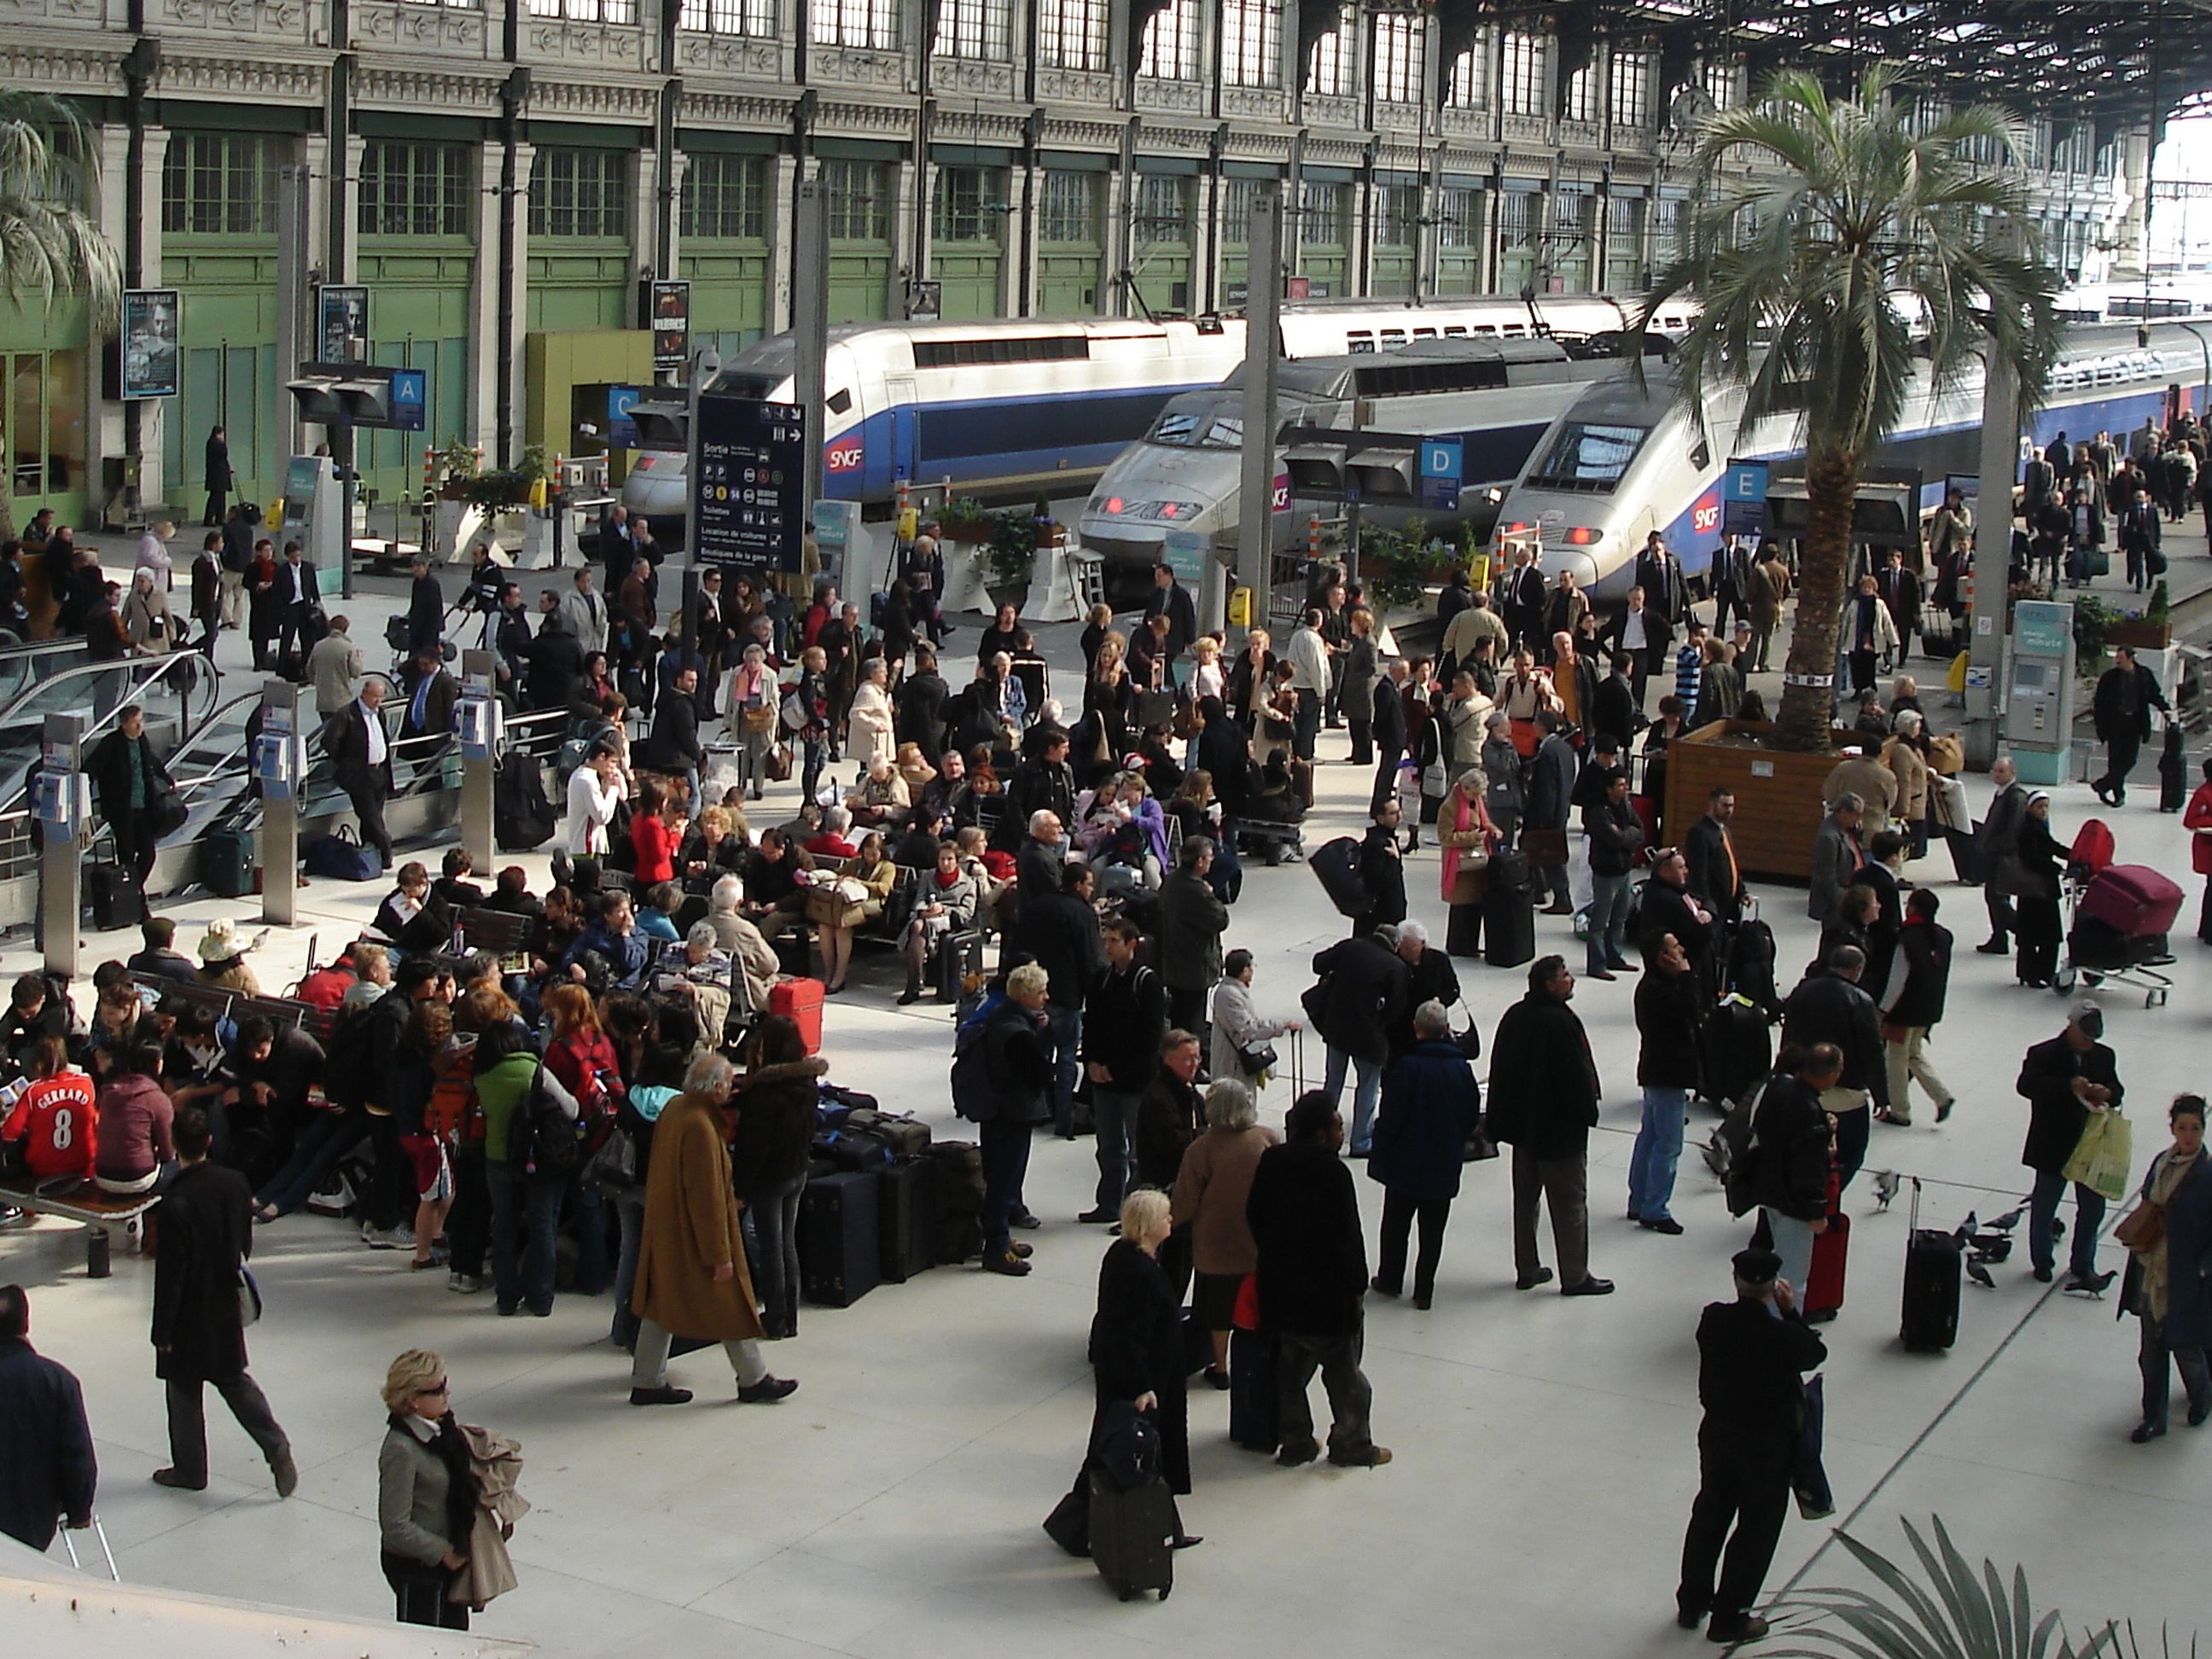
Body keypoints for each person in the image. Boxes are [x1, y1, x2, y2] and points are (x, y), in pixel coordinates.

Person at [1673, 1247, 1829, 1647]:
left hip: (1719, 1433)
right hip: (1766, 1445)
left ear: (1736, 1281)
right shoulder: (1781, 1337)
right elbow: (1814, 1352)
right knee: (1756, 1530)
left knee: (1710, 1512)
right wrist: (1790, 1311)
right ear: (1772, 1289)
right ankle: (1731, 1616)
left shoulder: (1713, 1319)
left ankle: (1692, 1601)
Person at [629, 1052, 798, 1406]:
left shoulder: (676, 1110)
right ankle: (753, 1379)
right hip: (694, 1236)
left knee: (661, 1304)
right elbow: (706, 1197)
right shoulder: (701, 1128)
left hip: (668, 1229)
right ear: (717, 1087)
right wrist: (719, 1254)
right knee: (731, 1306)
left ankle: (647, 1380)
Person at [151, 1109, 297, 1496]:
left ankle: (190, 1468)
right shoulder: (234, 1183)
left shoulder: (175, 1200)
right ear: (209, 1141)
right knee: (234, 1380)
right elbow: (243, 1241)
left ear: (173, 1145)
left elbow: (171, 1275)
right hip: (223, 1299)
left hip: (186, 1311)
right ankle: (275, 1445)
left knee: (183, 1389)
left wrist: (162, 1330)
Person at [1244, 1093, 1391, 1469]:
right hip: (1328, 1299)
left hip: (1281, 1292)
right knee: (1347, 1380)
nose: (1343, 1132)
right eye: (1339, 1126)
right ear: (1323, 1133)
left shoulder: (1272, 1162)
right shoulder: (1333, 1172)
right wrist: (1357, 1287)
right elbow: (1347, 1235)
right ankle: (1351, 1443)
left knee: (1289, 1377)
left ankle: (1296, 1442)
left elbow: (1255, 1215)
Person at [1048, 1190, 1199, 1552]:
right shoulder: (1139, 1273)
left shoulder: (1124, 1257)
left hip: (1138, 1376)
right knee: (1132, 1454)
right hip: (1142, 1381)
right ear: (1149, 1227)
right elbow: (1128, 1335)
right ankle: (1084, 1527)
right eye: (1165, 1216)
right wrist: (1142, 1386)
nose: (1171, 1220)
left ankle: (1162, 1529)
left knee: (1122, 1450)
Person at [1487, 956, 1610, 1296]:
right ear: (1549, 984)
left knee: (1525, 1202)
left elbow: (1500, 1071)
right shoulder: (1562, 1024)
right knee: (1569, 1206)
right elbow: (1577, 1079)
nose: (1571, 980)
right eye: (1565, 976)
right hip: (1559, 1136)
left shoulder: (1515, 1016)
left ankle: (1526, 1267)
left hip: (1523, 1131)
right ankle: (1575, 1276)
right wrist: (1587, 1114)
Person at [1367, 1001, 1481, 1311]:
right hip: (1443, 1160)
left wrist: (1382, 1149)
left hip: (1406, 1160)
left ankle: (1390, 1278)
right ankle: (1424, 1289)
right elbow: (1471, 1116)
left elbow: (1391, 1117)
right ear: (1446, 1030)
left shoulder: (1406, 1068)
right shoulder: (1461, 1069)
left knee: (1396, 1223)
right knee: (1433, 1230)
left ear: (1417, 1029)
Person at [1172, 1080, 1279, 1385]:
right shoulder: (1267, 1139)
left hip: (1215, 1244)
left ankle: (1220, 1367)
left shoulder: (1201, 1149)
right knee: (1258, 1306)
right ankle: (1260, 1361)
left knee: (1218, 1311)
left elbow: (1185, 1202)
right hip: (1258, 1242)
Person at [2117, 1094, 2212, 1443]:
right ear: (2172, 1129)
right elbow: (2148, 1202)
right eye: (2182, 1128)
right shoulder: (2161, 1163)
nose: (2188, 1136)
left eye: (2195, 1129)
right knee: (2151, 1353)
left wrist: (2203, 1269)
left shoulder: (2207, 1175)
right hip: (2151, 1269)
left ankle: (2202, 1396)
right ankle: (2153, 1417)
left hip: (2186, 1277)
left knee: (2187, 1347)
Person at [727, 1016, 824, 1343]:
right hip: (796, 1171)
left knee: (771, 1249)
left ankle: (776, 1318)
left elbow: (753, 1148)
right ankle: (789, 1317)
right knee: (786, 1244)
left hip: (770, 1179)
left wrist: (740, 1188)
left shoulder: (764, 1095)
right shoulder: (807, 1085)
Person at [2017, 999, 2122, 1292]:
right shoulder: (2043, 1054)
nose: (2088, 1044)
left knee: (2092, 1209)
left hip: (2091, 1146)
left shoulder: (2104, 1056)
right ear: (2071, 1027)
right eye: (2084, 1037)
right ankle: (2042, 1261)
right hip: (2053, 1142)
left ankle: (2083, 1263)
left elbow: (2117, 1090)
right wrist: (2067, 1086)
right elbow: (2026, 1086)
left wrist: (2108, 1092)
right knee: (2044, 1205)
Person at [377, 1348, 481, 1630]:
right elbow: (395, 1525)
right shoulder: (401, 1449)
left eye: (444, 1383)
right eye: (437, 1389)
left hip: (447, 1562)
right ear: (413, 1401)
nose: (447, 1392)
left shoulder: (442, 1431)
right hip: (419, 1568)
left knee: (456, 1635)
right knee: (429, 1643)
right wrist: (445, 1552)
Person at [1779, 945, 1886, 1196]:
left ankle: (1807, 1196)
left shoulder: (1803, 992)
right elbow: (1872, 1051)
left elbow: (1789, 1037)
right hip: (1846, 1091)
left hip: (1804, 1083)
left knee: (1803, 1149)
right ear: (1857, 969)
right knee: (1851, 1153)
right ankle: (1825, 1198)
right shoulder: (1860, 1000)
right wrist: (1882, 1095)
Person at [1080, 917, 1167, 1223]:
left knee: (1138, 1150)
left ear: (1132, 943)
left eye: (1114, 941)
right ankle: (1108, 1204)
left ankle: (1134, 1213)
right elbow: (1090, 1025)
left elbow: (1149, 1038)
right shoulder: (1101, 979)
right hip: (1103, 1080)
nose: (1107, 947)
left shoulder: (1147, 983)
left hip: (1134, 1081)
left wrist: (1115, 1069)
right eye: (1106, 940)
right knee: (1108, 1147)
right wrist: (1091, 1062)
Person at [0, 1284, 97, 1551]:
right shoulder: (59, 1381)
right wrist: (80, 1510)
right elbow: (76, 1454)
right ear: (26, 1323)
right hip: (33, 1520)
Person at [1307, 926, 1407, 1158]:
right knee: (1368, 1088)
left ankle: (1322, 1134)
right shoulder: (1396, 967)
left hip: (1337, 1029)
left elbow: (1318, 963)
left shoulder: (1351, 947)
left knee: (1333, 1081)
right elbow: (1396, 1010)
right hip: (1369, 1037)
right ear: (1396, 945)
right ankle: (1361, 1141)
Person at [1628, 933, 1703, 1235]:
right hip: (1667, 1074)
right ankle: (1656, 1208)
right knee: (1668, 1143)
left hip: (1656, 1071)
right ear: (1664, 957)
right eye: (1675, 948)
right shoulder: (1661, 991)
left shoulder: (1653, 986)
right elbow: (1690, 1011)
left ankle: (1640, 1199)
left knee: (1651, 1136)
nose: (1682, 950)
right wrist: (1686, 976)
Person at [1876, 888, 1955, 1127]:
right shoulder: (1943, 937)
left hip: (1904, 1010)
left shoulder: (1906, 939)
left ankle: (1900, 1110)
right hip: (1929, 1008)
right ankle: (1941, 1096)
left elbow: (1897, 980)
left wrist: (1883, 1010)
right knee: (1914, 1053)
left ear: (1912, 908)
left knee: (1896, 1058)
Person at [88, 703, 178, 894]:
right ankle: (134, 896)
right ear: (123, 724)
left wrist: (166, 778)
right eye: (135, 723)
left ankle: (133, 890)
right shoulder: (111, 744)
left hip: (143, 807)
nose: (140, 727)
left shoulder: (141, 741)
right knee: (127, 854)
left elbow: (152, 761)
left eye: (141, 722)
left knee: (148, 853)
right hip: (122, 810)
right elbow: (92, 769)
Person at [324, 678, 396, 870]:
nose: (378, 702)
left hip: (379, 771)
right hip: (359, 774)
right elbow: (330, 741)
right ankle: (386, 847)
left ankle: (371, 854)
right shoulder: (347, 714)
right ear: (365, 693)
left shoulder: (379, 714)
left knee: (373, 816)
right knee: (370, 815)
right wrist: (346, 762)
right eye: (375, 697)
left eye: (381, 697)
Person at [1581, 767, 1643, 980]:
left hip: (1624, 869)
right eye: (1620, 785)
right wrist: (1627, 836)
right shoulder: (1599, 812)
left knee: (1620, 918)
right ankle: (1597, 964)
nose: (1625, 788)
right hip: (1606, 872)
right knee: (1600, 921)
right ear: (1609, 789)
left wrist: (1623, 833)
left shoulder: (1626, 806)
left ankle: (1614, 956)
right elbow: (1613, 839)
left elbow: (1639, 830)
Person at [2092, 645, 2168, 808]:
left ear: (2130, 658)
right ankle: (2118, 794)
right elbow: (2099, 703)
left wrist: (2165, 709)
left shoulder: (2143, 675)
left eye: (2121, 657)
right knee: (2115, 760)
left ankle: (2103, 784)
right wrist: (2100, 725)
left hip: (2134, 722)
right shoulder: (2110, 677)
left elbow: (2154, 695)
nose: (2117, 660)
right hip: (2115, 723)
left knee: (2129, 759)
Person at [1436, 765, 1499, 958]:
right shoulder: (1449, 807)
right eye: (1475, 793)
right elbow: (1446, 837)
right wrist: (1474, 837)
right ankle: (1458, 945)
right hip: (1460, 865)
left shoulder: (1476, 802)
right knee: (1462, 909)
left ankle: (1471, 944)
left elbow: (1484, 821)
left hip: (1477, 861)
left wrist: (1492, 829)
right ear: (1465, 788)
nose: (1478, 797)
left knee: (1475, 907)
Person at [2013, 790, 2065, 988]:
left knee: (2037, 934)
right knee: (2042, 934)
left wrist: (2073, 855)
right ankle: (2037, 973)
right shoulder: (2027, 829)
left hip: (2037, 891)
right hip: (2037, 890)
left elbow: (2051, 846)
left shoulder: (2038, 827)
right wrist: (2056, 868)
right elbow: (2031, 858)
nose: (2044, 811)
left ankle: (2035, 972)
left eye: (2046, 807)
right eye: (2039, 807)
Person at [1976, 755, 2028, 954]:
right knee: (1993, 897)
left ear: (2012, 773)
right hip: (1994, 854)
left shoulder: (2016, 797)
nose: (1996, 775)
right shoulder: (2002, 794)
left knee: (1998, 899)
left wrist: (1998, 848)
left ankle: (2022, 932)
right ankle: (1999, 937)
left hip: (2003, 857)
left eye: (2001, 771)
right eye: (1995, 770)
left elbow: (2014, 829)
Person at [1805, 793, 1864, 925]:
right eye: (1856, 814)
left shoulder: (1849, 830)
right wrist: (1846, 901)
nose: (1860, 819)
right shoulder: (1828, 838)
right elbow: (1826, 878)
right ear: (1843, 812)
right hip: (1835, 905)